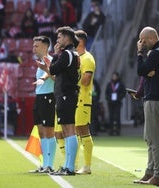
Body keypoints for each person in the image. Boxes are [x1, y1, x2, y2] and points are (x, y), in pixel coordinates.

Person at [37, 26, 80, 176]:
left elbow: (54, 70)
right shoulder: (70, 53)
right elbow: (55, 70)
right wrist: (55, 57)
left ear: (67, 38)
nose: (58, 40)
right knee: (67, 131)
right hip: (65, 94)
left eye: (60, 37)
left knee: (69, 130)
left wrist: (53, 57)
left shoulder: (67, 53)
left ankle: (70, 167)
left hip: (66, 94)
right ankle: (68, 166)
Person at [133, 26, 159, 187]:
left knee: (155, 140)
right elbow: (146, 72)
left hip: (156, 101)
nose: (141, 43)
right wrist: (147, 70)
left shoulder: (157, 53)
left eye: (142, 40)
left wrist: (140, 53)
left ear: (149, 38)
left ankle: (158, 175)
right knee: (150, 138)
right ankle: (150, 172)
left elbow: (141, 70)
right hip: (158, 100)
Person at [29, 36, 56, 173]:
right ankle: (44, 164)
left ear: (45, 46)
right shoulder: (40, 61)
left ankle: (50, 165)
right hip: (39, 97)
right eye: (33, 46)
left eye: (37, 46)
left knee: (49, 131)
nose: (34, 48)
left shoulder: (49, 60)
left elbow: (54, 77)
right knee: (41, 131)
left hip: (48, 97)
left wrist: (44, 73)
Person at [74, 30, 96, 174]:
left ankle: (87, 166)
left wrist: (71, 81)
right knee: (76, 131)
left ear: (80, 41)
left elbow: (86, 81)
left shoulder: (87, 58)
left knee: (83, 130)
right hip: (76, 99)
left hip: (83, 99)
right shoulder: (78, 58)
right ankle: (74, 165)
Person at [105, 71, 126, 136]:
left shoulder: (121, 84)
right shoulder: (109, 84)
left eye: (115, 76)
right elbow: (106, 93)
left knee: (117, 116)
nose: (114, 77)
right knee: (111, 116)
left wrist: (119, 98)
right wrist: (108, 99)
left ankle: (117, 130)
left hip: (118, 102)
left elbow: (123, 92)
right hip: (110, 103)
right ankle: (111, 130)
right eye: (113, 76)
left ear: (117, 77)